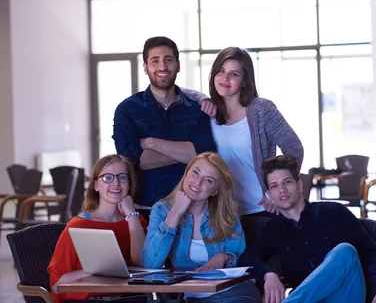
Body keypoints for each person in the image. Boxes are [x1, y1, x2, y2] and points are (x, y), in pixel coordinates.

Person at [239, 155, 376, 303]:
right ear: (270, 194)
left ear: (299, 185)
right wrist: (268, 274)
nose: (282, 190)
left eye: (287, 182)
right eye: (274, 186)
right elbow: (247, 258)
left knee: (345, 251)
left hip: (345, 295)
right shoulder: (273, 229)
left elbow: (370, 251)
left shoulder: (334, 211)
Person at [204, 47, 303, 246]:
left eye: (234, 74)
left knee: (266, 271)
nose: (225, 78)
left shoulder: (261, 110)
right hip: (222, 216)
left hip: (262, 211)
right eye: (220, 71)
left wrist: (273, 191)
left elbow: (294, 148)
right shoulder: (207, 113)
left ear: (245, 81)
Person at [142, 152, 262, 303]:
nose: (197, 182)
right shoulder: (161, 210)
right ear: (186, 173)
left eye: (209, 180)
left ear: (215, 190)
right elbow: (150, 264)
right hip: (192, 297)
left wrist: (224, 257)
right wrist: (176, 213)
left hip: (234, 292)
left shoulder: (225, 214)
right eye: (195, 172)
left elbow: (242, 260)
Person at [113, 36, 217, 208]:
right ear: (145, 68)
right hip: (144, 209)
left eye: (168, 60)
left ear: (178, 65)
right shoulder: (127, 110)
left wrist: (150, 143)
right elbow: (133, 161)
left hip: (192, 209)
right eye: (155, 61)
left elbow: (204, 156)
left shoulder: (197, 110)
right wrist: (186, 151)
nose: (162, 67)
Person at [48, 154, 147, 303]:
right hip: (90, 299)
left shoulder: (137, 222)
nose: (115, 183)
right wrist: (96, 270)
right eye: (108, 178)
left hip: (132, 297)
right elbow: (56, 284)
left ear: (129, 184)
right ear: (95, 185)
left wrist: (131, 215)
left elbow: (141, 262)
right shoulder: (78, 226)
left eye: (122, 177)